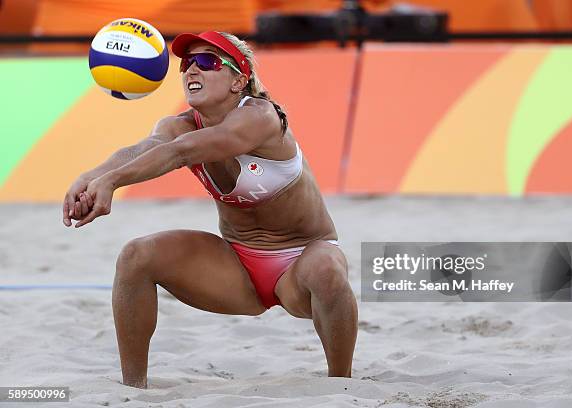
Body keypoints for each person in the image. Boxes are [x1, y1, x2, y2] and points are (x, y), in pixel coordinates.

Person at [62, 31, 358, 389]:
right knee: (136, 255)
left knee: (326, 266)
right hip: (237, 268)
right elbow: (146, 148)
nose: (191, 70)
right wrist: (90, 176)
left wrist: (112, 182)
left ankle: (342, 386)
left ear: (239, 79)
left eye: (207, 62)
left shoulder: (261, 117)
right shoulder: (180, 125)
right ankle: (133, 388)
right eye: (187, 64)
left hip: (300, 264)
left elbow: (181, 152)